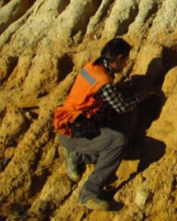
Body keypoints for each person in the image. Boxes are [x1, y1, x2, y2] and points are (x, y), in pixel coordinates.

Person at [53, 38, 152, 211]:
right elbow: (121, 107)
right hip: (75, 132)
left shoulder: (92, 68)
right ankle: (89, 193)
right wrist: (139, 98)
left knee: (118, 147)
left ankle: (77, 157)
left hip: (70, 125)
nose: (126, 63)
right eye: (126, 60)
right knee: (119, 141)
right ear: (119, 58)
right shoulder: (103, 80)